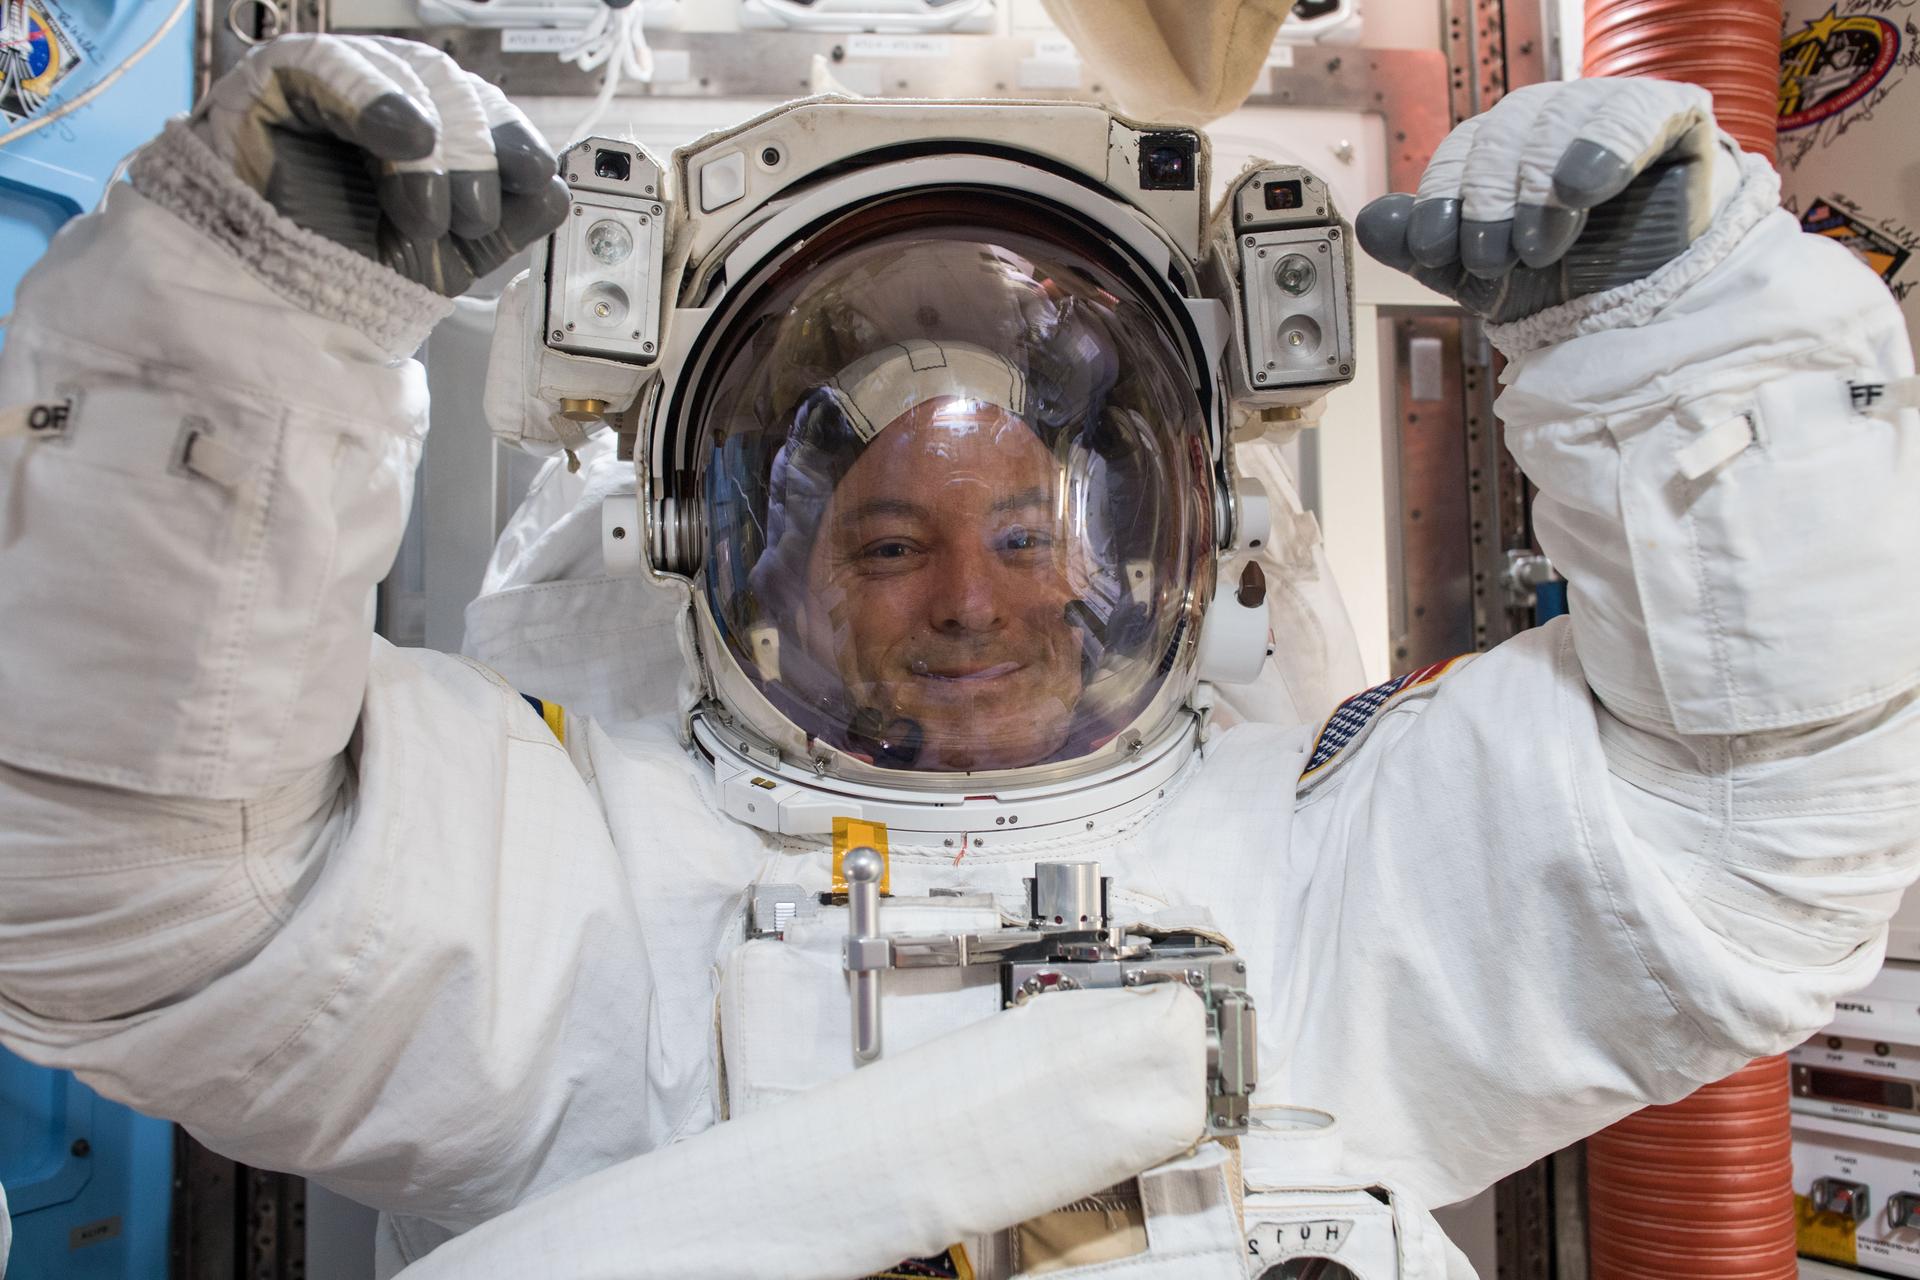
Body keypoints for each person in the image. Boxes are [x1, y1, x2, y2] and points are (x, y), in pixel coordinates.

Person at [0, 32, 1916, 1280]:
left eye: (1022, 535)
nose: (974, 603)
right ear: (746, 564)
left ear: (1151, 551)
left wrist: (1689, 338)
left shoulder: (1315, 873)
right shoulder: (597, 883)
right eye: (891, 544)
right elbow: (124, 879)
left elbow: (1757, 854)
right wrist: (239, 335)